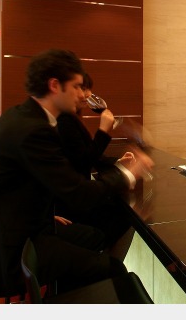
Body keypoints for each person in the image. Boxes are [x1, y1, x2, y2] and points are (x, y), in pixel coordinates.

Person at [0, 49, 153, 297]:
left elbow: (35, 182)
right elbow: (80, 194)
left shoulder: (22, 117)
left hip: (15, 231)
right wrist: (128, 172)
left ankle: (64, 295)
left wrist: (46, 214)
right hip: (7, 252)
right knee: (113, 269)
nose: (83, 95)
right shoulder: (33, 130)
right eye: (76, 86)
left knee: (91, 240)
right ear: (54, 85)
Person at [55, 72, 134, 254]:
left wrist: (116, 161)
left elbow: (85, 153)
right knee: (123, 215)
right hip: (69, 204)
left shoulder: (70, 118)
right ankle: (106, 263)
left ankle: (106, 261)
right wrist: (104, 130)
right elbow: (83, 161)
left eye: (87, 88)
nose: (87, 94)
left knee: (120, 210)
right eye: (81, 88)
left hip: (71, 199)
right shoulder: (64, 120)